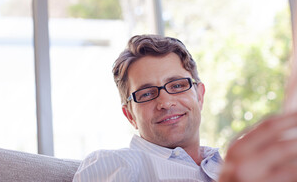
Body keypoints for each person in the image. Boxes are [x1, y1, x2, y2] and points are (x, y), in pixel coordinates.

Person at [73, 34, 297, 182]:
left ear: (199, 96)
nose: (165, 102)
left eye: (178, 85)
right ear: (130, 115)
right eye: (147, 93)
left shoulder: (232, 164)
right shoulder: (114, 164)